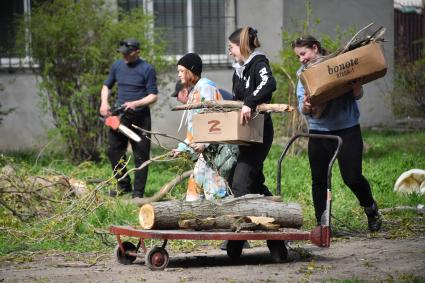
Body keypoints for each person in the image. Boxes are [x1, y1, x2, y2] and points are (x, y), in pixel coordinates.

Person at [292, 35, 382, 232]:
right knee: (319, 179)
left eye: (303, 54)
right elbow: (302, 107)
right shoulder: (303, 74)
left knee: (352, 177)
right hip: (319, 133)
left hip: (346, 130)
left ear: (315, 48)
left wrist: (357, 88)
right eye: (298, 56)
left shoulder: (338, 63)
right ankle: (322, 224)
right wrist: (306, 105)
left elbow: (357, 94)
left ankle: (371, 208)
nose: (301, 59)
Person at [227, 26, 284, 259]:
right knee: (255, 185)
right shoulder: (238, 71)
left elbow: (268, 84)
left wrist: (250, 102)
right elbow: (236, 101)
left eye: (231, 47)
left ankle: (235, 244)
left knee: (240, 184)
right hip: (245, 133)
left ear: (241, 46)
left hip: (259, 134)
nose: (229, 52)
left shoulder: (258, 63)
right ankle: (277, 242)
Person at [100, 38, 158, 198]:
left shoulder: (147, 69)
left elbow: (153, 95)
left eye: (128, 53)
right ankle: (123, 186)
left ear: (137, 52)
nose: (124, 56)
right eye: (122, 53)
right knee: (114, 151)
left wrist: (136, 103)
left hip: (140, 118)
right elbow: (106, 86)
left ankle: (138, 193)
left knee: (141, 155)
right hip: (119, 117)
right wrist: (104, 103)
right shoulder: (117, 66)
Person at [171, 53, 229, 201]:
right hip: (205, 150)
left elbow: (213, 119)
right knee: (194, 188)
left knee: (214, 190)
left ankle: (219, 220)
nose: (179, 74)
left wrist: (204, 143)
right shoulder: (195, 92)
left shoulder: (205, 88)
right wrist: (182, 148)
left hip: (216, 149)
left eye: (181, 70)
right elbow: (193, 129)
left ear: (191, 70)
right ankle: (195, 218)